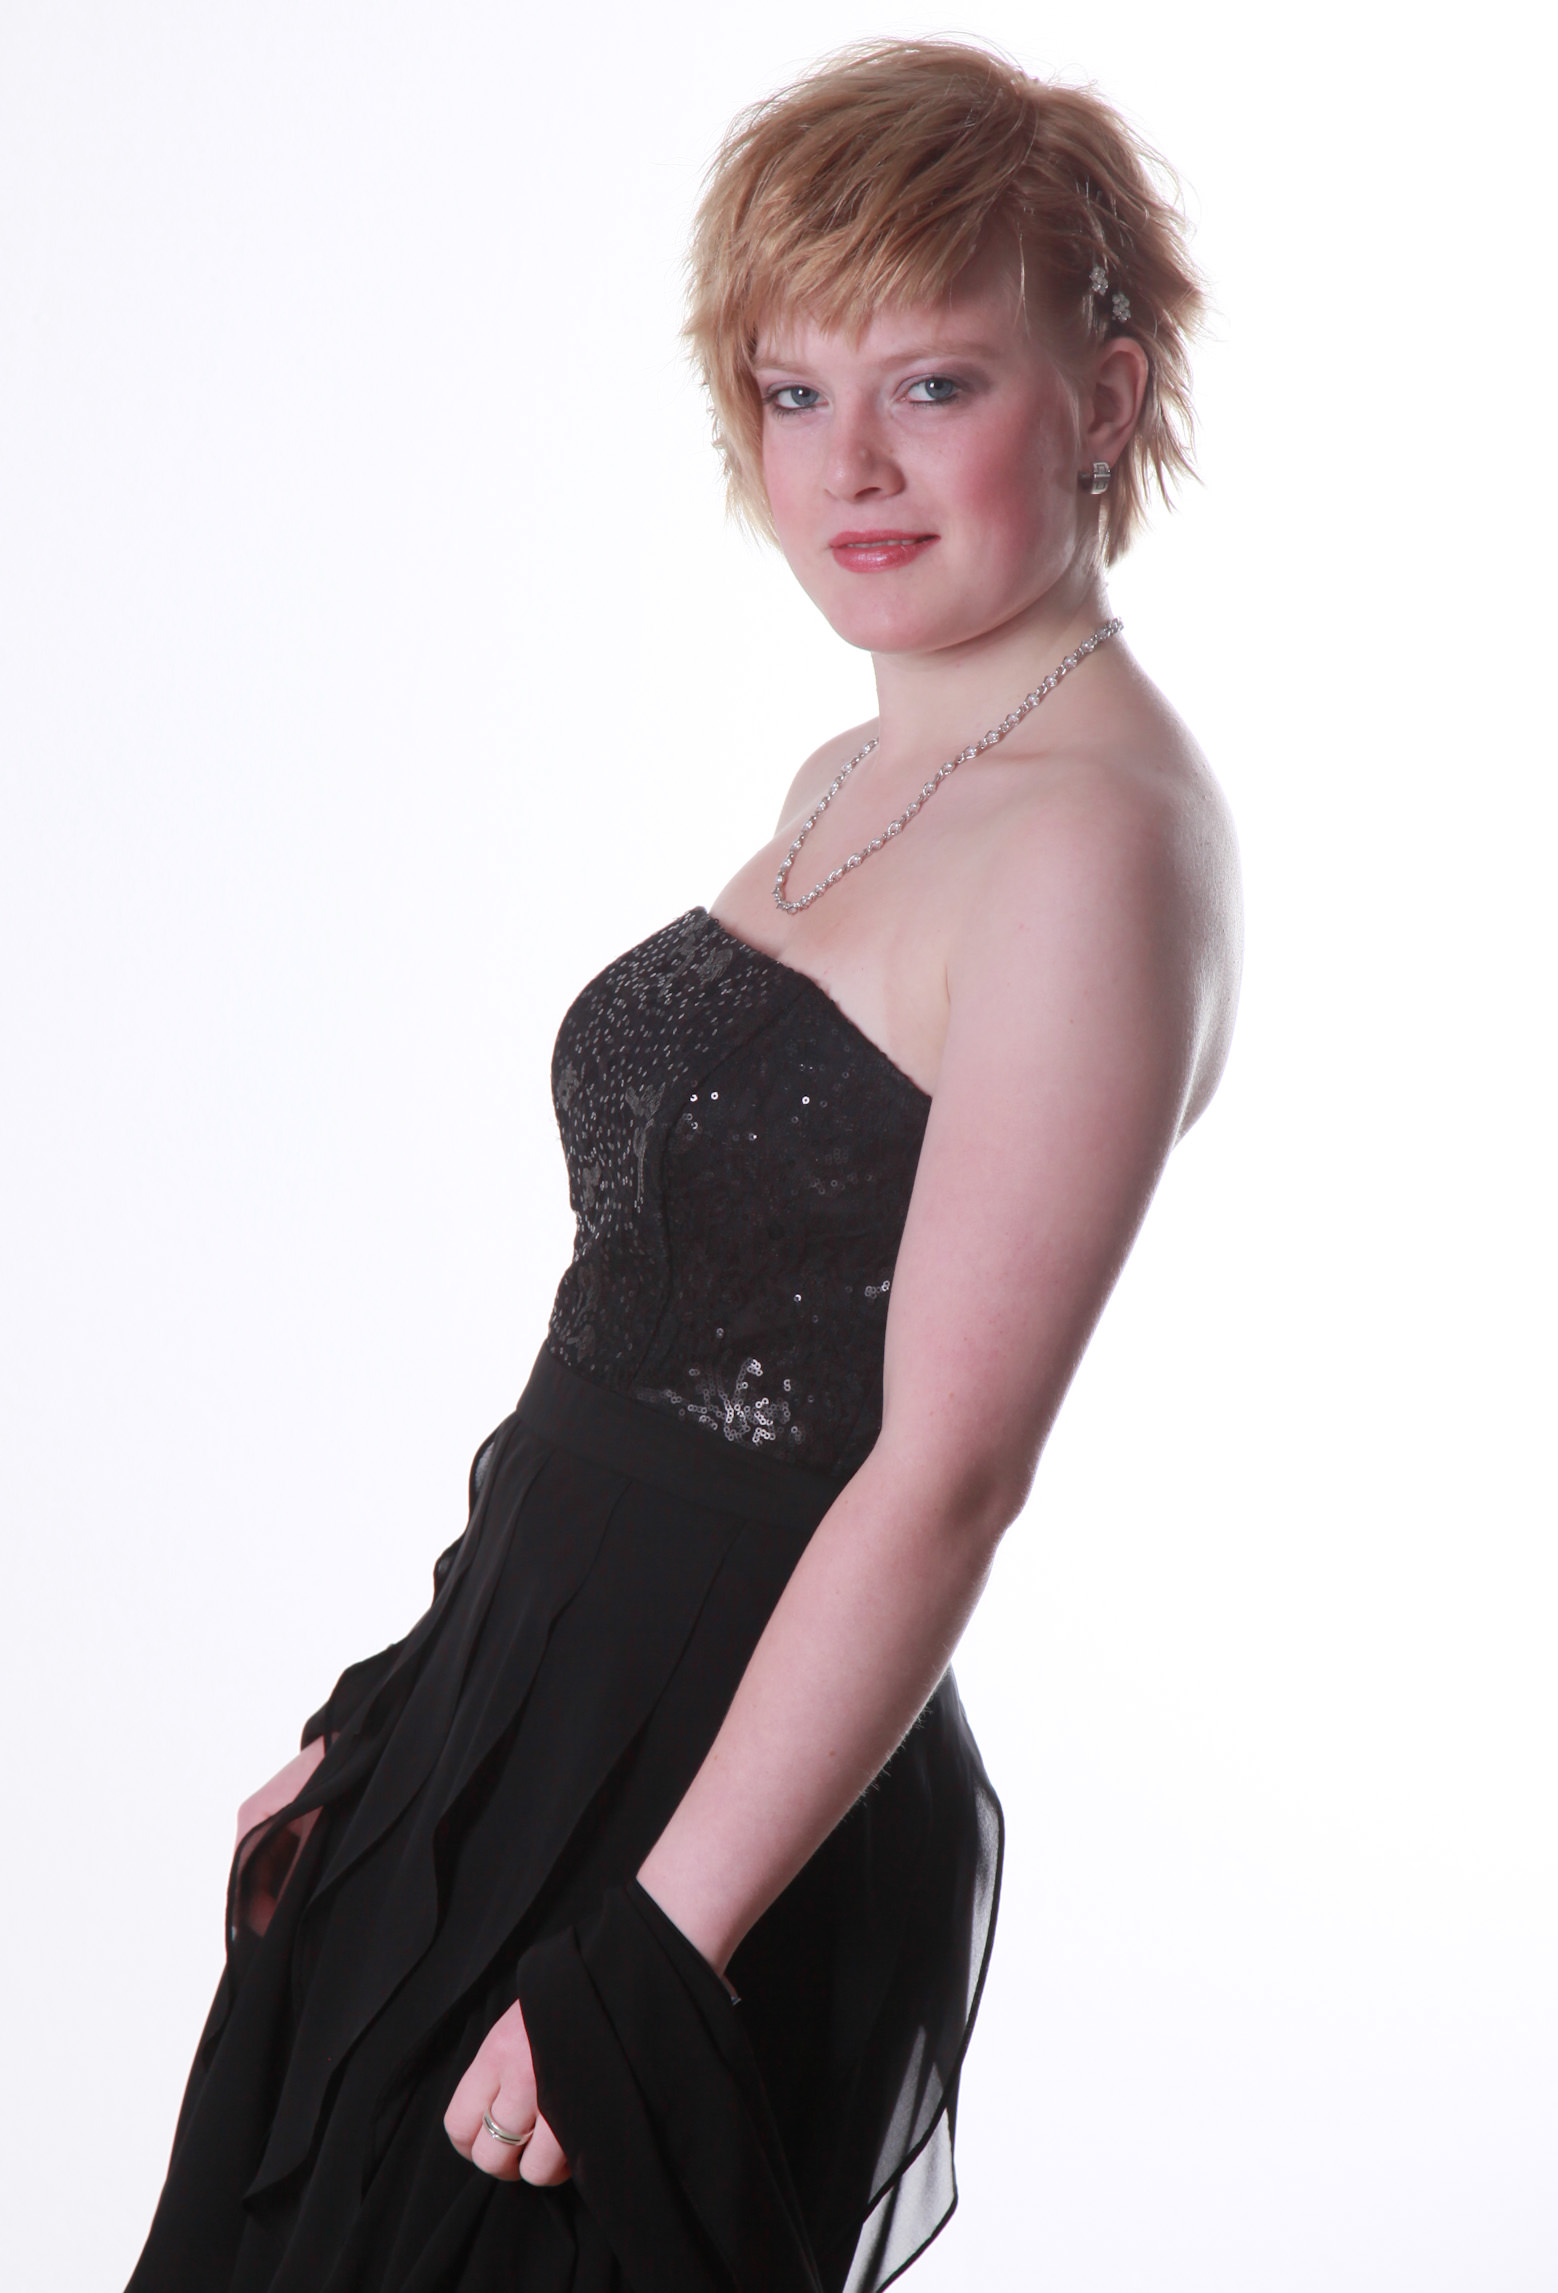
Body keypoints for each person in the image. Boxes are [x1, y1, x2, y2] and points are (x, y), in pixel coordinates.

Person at [128, 35, 1239, 2293]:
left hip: (710, 1798)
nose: (849, 466)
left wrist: (653, 1941)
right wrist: (408, 1707)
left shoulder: (1094, 850)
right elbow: (634, 1319)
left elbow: (943, 1471)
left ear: (1105, 399)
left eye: (933, 385)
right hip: (521, 1704)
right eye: (791, 390)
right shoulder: (859, 766)